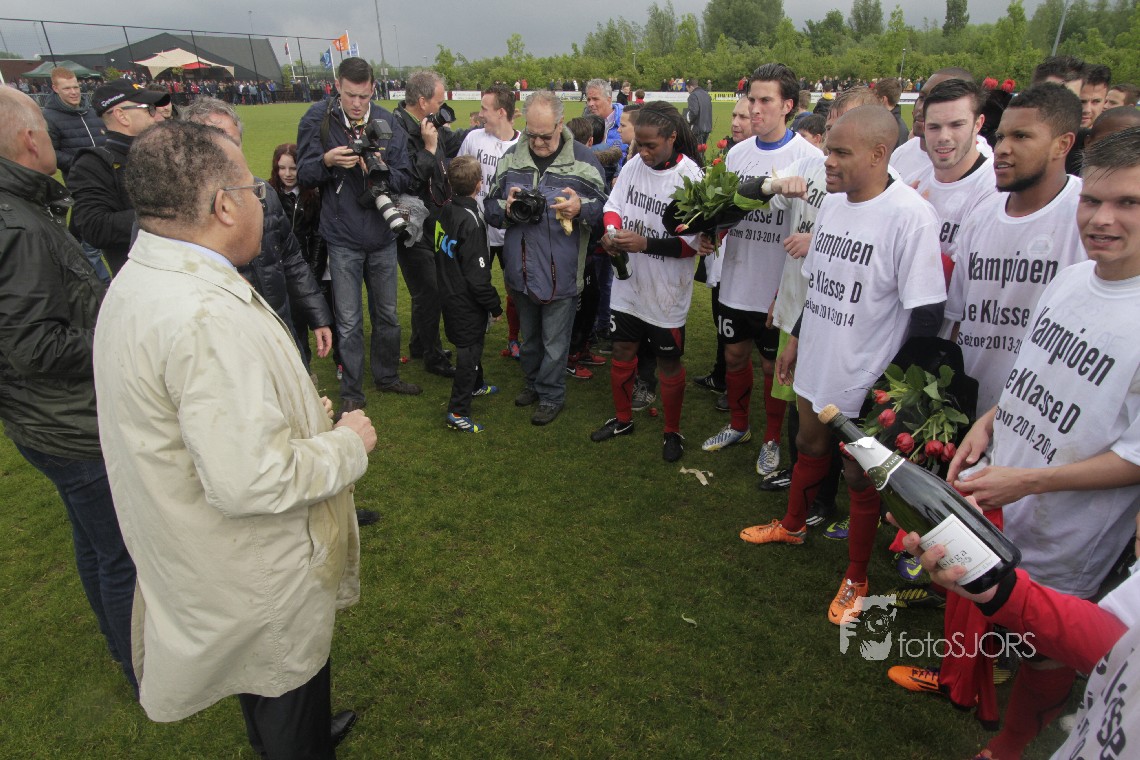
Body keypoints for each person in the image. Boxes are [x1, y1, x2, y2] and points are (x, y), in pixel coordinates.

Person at [94, 120, 374, 758]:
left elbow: (200, 422)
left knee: (277, 699)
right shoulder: (203, 317)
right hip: (255, 578)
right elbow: (253, 478)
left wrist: (297, 413)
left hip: (217, 567)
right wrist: (346, 443)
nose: (259, 199)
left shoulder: (147, 279)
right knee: (285, 701)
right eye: (252, 188)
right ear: (223, 206)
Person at [941, 126, 1140, 760]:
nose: (1102, 219)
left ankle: (1010, 745)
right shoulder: (1073, 278)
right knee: (991, 606)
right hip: (1006, 491)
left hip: (1067, 529)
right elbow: (1036, 370)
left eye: (1129, 203)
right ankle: (969, 680)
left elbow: (1136, 457)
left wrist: (1029, 480)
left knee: (1045, 645)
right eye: (1093, 200)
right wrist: (990, 421)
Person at [745, 106, 946, 628]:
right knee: (808, 444)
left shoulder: (910, 216)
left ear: (879, 154)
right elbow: (819, 283)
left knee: (859, 475)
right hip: (818, 355)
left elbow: (927, 314)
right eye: (827, 149)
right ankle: (793, 525)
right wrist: (797, 338)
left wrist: (890, 391)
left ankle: (857, 576)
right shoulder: (832, 205)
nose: (827, 162)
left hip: (866, 376)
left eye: (840, 153)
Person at [0, 86, 136, 692]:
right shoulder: (19, 226)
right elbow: (35, 347)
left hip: (48, 420)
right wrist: (118, 336)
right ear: (31, 139)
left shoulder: (23, 211)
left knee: (94, 540)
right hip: (67, 424)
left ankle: (121, 649)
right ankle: (141, 666)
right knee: (120, 552)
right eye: (48, 130)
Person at [899, 508, 1140, 760]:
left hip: (1069, 547)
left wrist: (1025, 486)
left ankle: (1006, 745)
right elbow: (1122, 639)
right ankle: (961, 684)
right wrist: (999, 591)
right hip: (1102, 735)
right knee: (1026, 640)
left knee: (1043, 654)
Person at [700, 63, 822, 485]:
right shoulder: (738, 153)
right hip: (736, 277)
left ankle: (771, 439)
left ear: (788, 105)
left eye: (765, 100)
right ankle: (739, 424)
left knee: (774, 368)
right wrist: (712, 232)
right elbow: (726, 210)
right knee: (734, 356)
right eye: (751, 99)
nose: (755, 108)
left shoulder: (810, 159)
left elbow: (818, 222)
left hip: (778, 288)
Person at [946, 83, 1086, 417]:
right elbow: (958, 318)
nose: (1003, 149)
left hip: (1040, 414)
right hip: (966, 406)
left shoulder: (1086, 215)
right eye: (1001, 136)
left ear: (1062, 144)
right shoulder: (981, 215)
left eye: (1021, 137)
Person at [296, 56, 419, 418]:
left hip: (382, 234)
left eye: (364, 96)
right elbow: (303, 174)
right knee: (348, 322)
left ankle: (387, 376)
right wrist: (328, 161)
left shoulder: (387, 121)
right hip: (342, 237)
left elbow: (406, 176)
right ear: (337, 86)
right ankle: (351, 391)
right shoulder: (317, 118)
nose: (357, 103)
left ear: (373, 90)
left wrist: (380, 168)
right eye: (350, 95)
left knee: (388, 315)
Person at [588, 102, 708, 462]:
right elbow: (613, 205)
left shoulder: (691, 178)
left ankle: (672, 430)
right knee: (623, 352)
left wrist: (645, 244)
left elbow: (692, 246)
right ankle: (623, 419)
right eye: (638, 144)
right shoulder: (634, 165)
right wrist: (612, 232)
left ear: (671, 137)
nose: (642, 152)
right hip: (629, 285)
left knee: (668, 364)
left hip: (667, 292)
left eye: (650, 145)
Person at [484, 91, 607, 426]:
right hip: (521, 270)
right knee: (530, 337)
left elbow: (606, 210)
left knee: (555, 341)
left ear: (560, 123)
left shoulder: (584, 160)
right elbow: (490, 207)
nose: (537, 143)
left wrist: (581, 208)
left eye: (545, 136)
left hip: (562, 273)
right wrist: (506, 208)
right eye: (531, 134)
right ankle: (532, 383)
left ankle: (551, 395)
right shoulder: (512, 157)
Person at [393, 69, 469, 379]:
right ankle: (433, 357)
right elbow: (407, 180)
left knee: (427, 288)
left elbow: (454, 140)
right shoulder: (397, 131)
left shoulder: (429, 126)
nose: (443, 106)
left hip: (432, 219)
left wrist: (486, 127)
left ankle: (419, 344)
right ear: (423, 102)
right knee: (430, 291)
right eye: (439, 101)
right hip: (410, 224)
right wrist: (427, 148)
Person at [67, 79, 168, 275]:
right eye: (149, 109)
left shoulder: (164, 152)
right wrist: (169, 214)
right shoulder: (93, 164)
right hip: (142, 277)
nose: (159, 117)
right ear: (122, 115)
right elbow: (94, 226)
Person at [433, 155, 503, 433]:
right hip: (465, 301)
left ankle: (476, 384)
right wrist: (494, 306)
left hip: (448, 292)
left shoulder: (446, 210)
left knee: (473, 345)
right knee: (468, 352)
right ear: (479, 184)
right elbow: (478, 277)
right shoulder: (471, 221)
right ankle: (457, 411)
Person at [457, 84, 521, 359]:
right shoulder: (473, 138)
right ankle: (473, 334)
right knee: (472, 283)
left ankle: (514, 338)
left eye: (485, 108)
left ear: (501, 112)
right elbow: (459, 174)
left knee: (515, 287)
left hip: (510, 231)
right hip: (477, 229)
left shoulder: (522, 146)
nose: (480, 113)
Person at [269, 142, 338, 373]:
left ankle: (340, 362)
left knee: (328, 316)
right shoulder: (270, 196)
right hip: (282, 270)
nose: (287, 174)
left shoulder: (315, 196)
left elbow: (319, 236)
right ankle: (301, 370)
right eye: (282, 168)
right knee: (293, 324)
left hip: (310, 266)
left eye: (293, 168)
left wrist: (313, 271)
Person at [41, 66, 110, 282]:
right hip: (81, 186)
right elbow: (51, 153)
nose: (73, 92)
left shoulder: (92, 112)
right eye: (67, 88)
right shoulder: (49, 118)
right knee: (90, 240)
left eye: (76, 87)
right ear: (55, 89)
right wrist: (82, 163)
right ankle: (101, 283)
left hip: (109, 180)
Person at [871, 77, 909, 148]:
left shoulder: (897, 129)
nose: (872, 101)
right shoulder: (884, 122)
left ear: (883, 99)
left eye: (875, 97)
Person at [1079, 63, 1112, 130]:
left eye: (1096, 101)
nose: (1087, 110)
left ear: (1105, 102)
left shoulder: (1111, 134)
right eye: (1082, 101)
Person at [685, 78, 712, 146]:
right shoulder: (706, 94)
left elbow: (694, 112)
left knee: (694, 150)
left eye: (687, 89)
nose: (688, 91)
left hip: (697, 129)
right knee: (701, 151)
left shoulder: (693, 95)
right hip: (707, 128)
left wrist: (687, 117)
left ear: (690, 87)